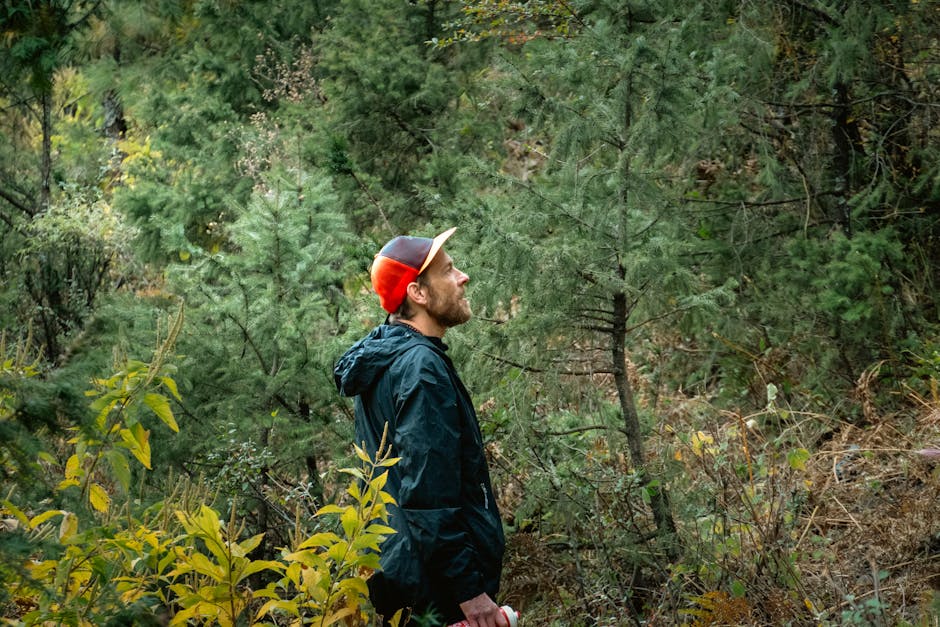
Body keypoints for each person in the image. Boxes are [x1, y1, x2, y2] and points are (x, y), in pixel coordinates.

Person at [334, 227, 507, 626]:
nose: (463, 277)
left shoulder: (390, 356)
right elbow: (429, 497)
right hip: (438, 593)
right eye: (448, 271)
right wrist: (470, 593)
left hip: (410, 576)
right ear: (418, 294)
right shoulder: (420, 368)